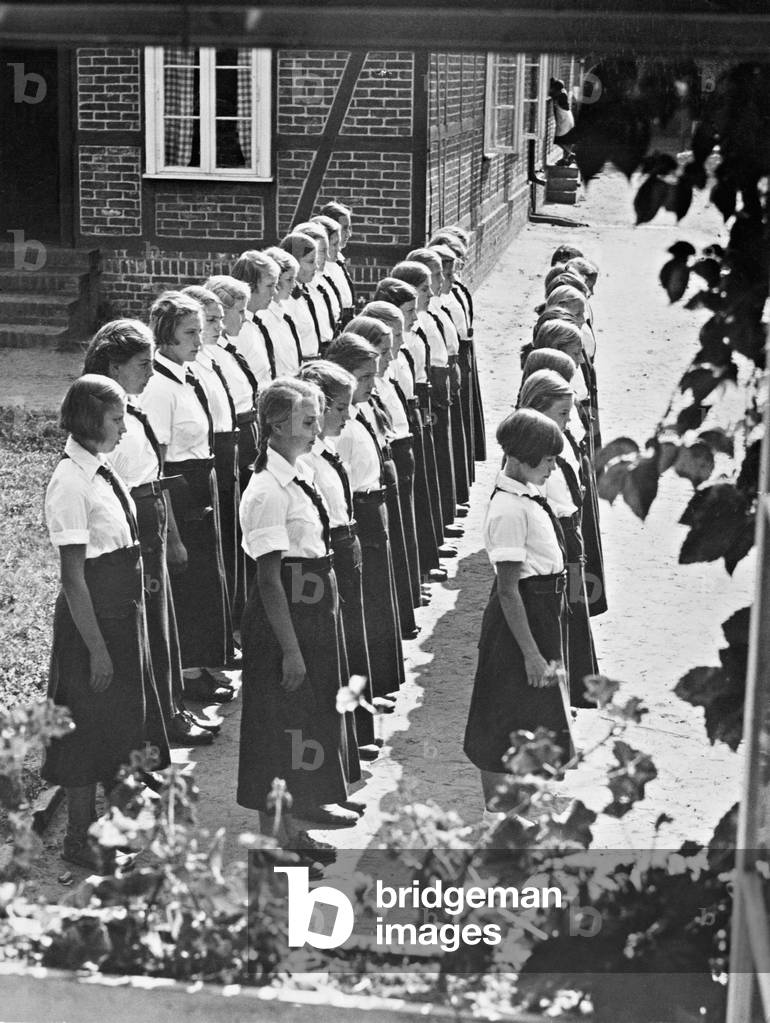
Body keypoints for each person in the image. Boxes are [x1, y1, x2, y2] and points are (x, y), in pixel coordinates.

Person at [43, 375, 170, 869]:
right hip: (91, 626)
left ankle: (108, 830)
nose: (123, 427)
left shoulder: (100, 470)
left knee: (116, 729)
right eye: (116, 419)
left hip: (121, 619)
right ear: (91, 420)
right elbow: (74, 577)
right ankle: (79, 839)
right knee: (84, 736)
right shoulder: (70, 482)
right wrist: (96, 649)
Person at [82, 321, 215, 747]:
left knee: (161, 622)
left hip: (150, 515)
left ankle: (168, 710)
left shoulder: (133, 411)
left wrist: (171, 533)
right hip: (128, 524)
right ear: (114, 366)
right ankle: (157, 722)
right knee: (146, 626)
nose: (151, 373)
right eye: (142, 364)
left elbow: (154, 474)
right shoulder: (102, 419)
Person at [237, 377, 356, 842]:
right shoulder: (267, 490)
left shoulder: (300, 471)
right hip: (282, 621)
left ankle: (297, 821)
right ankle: (275, 838)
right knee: (276, 731)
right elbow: (269, 580)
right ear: (277, 424)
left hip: (309, 614)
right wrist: (290, 650)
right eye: (307, 421)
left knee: (304, 723)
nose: (315, 429)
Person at [463, 408, 570, 810]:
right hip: (519, 619)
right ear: (523, 458)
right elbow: (509, 590)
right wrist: (529, 653)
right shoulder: (509, 508)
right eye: (548, 461)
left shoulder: (525, 491)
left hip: (539, 611)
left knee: (531, 709)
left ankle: (524, 795)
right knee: (503, 712)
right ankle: (499, 805)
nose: (553, 468)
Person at [140, 291, 234, 703]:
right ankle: (186, 672)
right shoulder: (159, 388)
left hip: (200, 481)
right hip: (179, 489)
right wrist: (172, 531)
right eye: (189, 332)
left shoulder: (186, 374)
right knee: (187, 582)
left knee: (203, 581)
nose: (199, 339)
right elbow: (156, 463)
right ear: (165, 335)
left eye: (200, 330)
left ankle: (201, 663)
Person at [297, 359, 380, 760]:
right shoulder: (305, 462)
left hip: (344, 547)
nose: (348, 416)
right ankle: (341, 744)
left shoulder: (325, 452)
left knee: (351, 647)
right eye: (341, 408)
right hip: (324, 554)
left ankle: (355, 733)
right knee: (333, 654)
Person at [327, 332, 405, 702]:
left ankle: (376, 681)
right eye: (364, 377)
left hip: (374, 508)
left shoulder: (360, 413)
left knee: (375, 602)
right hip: (356, 511)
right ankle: (363, 688)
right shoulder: (339, 430)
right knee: (363, 608)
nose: (372, 385)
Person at [518, 370, 599, 707]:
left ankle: (573, 690)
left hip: (571, 534)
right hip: (556, 537)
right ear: (538, 408)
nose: (568, 421)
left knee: (575, 610)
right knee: (562, 614)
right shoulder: (534, 451)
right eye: (562, 413)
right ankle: (562, 695)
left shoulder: (557, 440)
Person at [372, 278, 445, 583]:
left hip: (407, 434)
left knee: (414, 510)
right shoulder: (378, 373)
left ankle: (419, 572)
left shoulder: (399, 357)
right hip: (391, 448)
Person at [279, 231, 323, 360]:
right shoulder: (283, 300)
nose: (316, 266)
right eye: (310, 261)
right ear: (294, 262)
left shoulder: (305, 292)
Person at [319, 200, 356, 324]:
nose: (349, 234)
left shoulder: (339, 260)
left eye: (350, 228)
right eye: (345, 228)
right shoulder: (321, 265)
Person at [549, 78, 576, 167]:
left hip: (564, 119)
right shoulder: (563, 91)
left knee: (558, 140)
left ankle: (570, 154)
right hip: (568, 117)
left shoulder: (561, 95)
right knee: (567, 140)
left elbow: (551, 94)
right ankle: (565, 159)